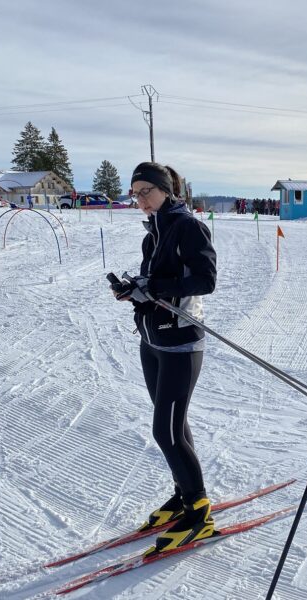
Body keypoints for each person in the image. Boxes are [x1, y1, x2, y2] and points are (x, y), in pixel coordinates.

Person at [110, 161, 217, 553]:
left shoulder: (187, 226)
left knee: (165, 431)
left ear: (165, 190)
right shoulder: (152, 232)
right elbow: (155, 285)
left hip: (181, 343)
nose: (140, 201)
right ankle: (183, 494)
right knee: (175, 426)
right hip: (152, 340)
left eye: (146, 192)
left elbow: (205, 280)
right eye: (134, 194)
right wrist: (135, 290)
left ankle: (199, 513)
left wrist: (154, 285)